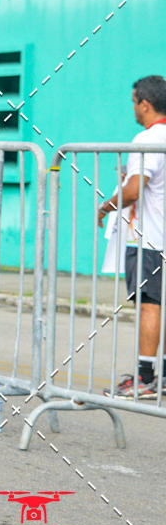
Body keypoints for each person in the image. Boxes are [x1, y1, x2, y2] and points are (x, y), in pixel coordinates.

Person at [98, 75, 166, 399]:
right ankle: (162, 375)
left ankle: (145, 377)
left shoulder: (146, 140)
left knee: (150, 304)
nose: (134, 108)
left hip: (151, 237)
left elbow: (136, 190)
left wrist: (106, 205)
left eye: (134, 102)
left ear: (145, 104)